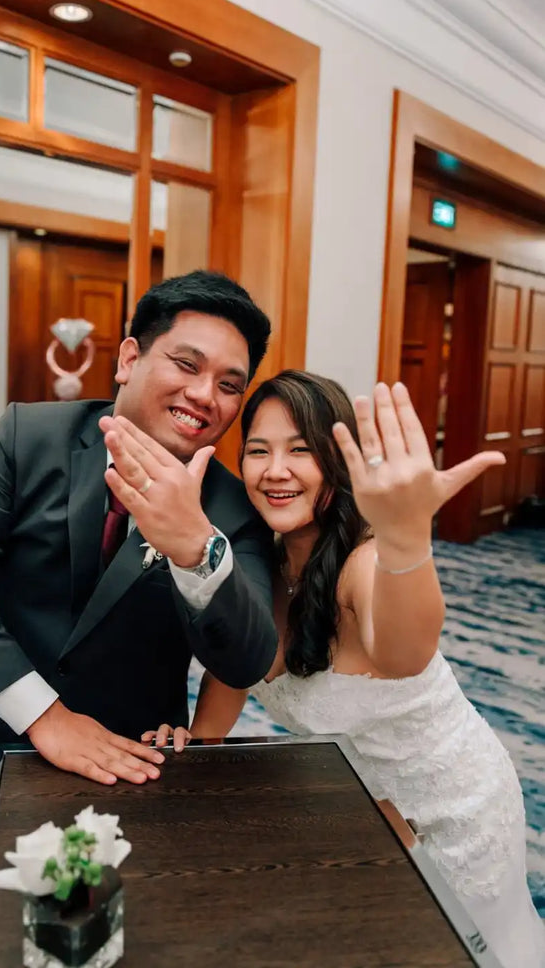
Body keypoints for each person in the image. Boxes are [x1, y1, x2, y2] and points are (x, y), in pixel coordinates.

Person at [143, 371, 545, 968]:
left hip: (454, 809)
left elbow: (405, 652)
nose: (275, 469)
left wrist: (409, 540)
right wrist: (197, 746)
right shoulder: (261, 559)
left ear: (336, 462)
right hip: (363, 805)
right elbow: (238, 664)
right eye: (259, 450)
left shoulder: (366, 562)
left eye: (300, 450)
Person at [0, 270, 277, 851]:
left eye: (230, 385)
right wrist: (46, 717)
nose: (205, 395)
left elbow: (248, 658)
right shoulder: (31, 436)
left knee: (116, 918)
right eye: (187, 364)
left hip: (133, 757)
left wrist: (195, 548)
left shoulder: (230, 508)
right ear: (129, 358)